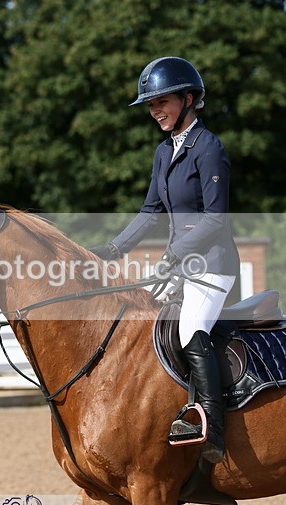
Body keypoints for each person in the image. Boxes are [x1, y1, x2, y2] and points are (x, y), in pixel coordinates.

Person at [90, 56, 240, 463]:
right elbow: (150, 211)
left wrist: (174, 253)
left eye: (162, 102)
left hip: (212, 264)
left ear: (189, 99)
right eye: (151, 105)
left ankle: (212, 429)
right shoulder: (164, 151)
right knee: (145, 326)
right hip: (181, 264)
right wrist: (112, 250)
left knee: (190, 329)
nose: (155, 111)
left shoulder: (208, 148)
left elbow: (216, 219)